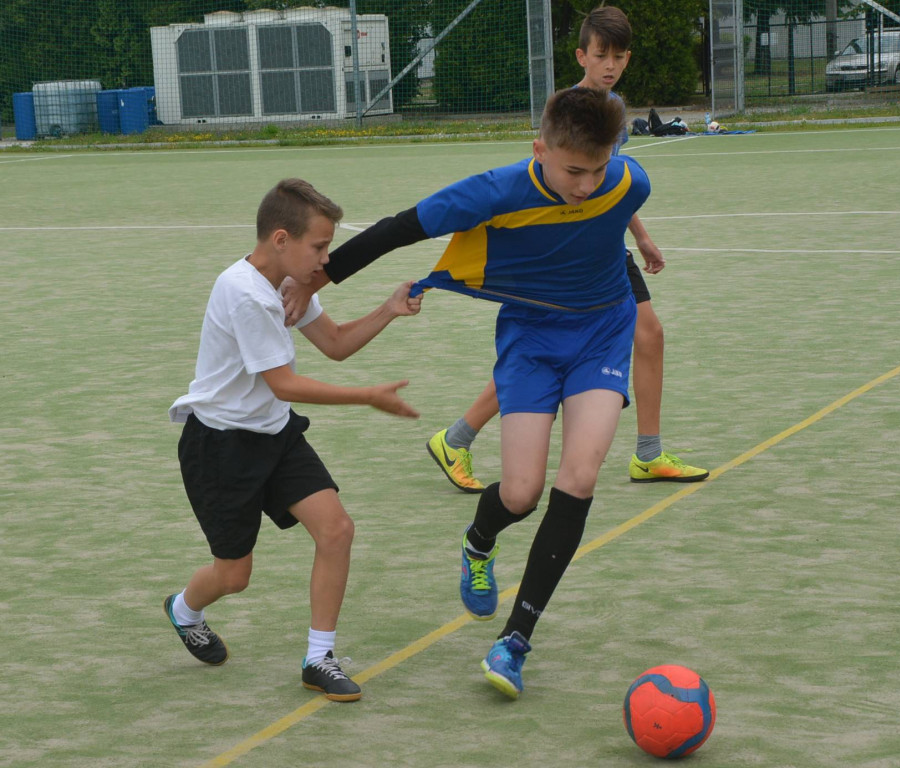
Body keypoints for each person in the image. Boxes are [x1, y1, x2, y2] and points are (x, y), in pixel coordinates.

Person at [284, 86, 656, 699]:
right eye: (572, 171)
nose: (587, 185)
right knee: (521, 492)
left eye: (598, 169)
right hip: (531, 342)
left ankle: (515, 640)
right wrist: (320, 278)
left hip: (602, 335)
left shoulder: (629, 182)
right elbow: (401, 228)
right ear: (539, 150)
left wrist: (640, 241)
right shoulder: (495, 190)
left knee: (580, 477)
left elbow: (612, 209)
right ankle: (479, 540)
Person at [425, 4, 708, 494]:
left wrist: (639, 234)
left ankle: (646, 450)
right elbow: (549, 181)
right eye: (602, 54)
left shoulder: (613, 108)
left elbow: (609, 184)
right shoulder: (567, 108)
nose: (610, 64)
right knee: (550, 353)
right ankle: (459, 437)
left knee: (644, 336)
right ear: (582, 55)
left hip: (602, 244)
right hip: (570, 248)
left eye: (619, 56)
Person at [164, 178, 421, 703]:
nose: (326, 261)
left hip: (275, 434)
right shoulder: (243, 293)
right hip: (220, 447)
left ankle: (318, 658)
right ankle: (184, 610)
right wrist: (368, 396)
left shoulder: (288, 284)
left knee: (337, 530)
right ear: (281, 238)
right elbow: (283, 383)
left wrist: (388, 309)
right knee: (234, 576)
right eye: (320, 248)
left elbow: (335, 344)